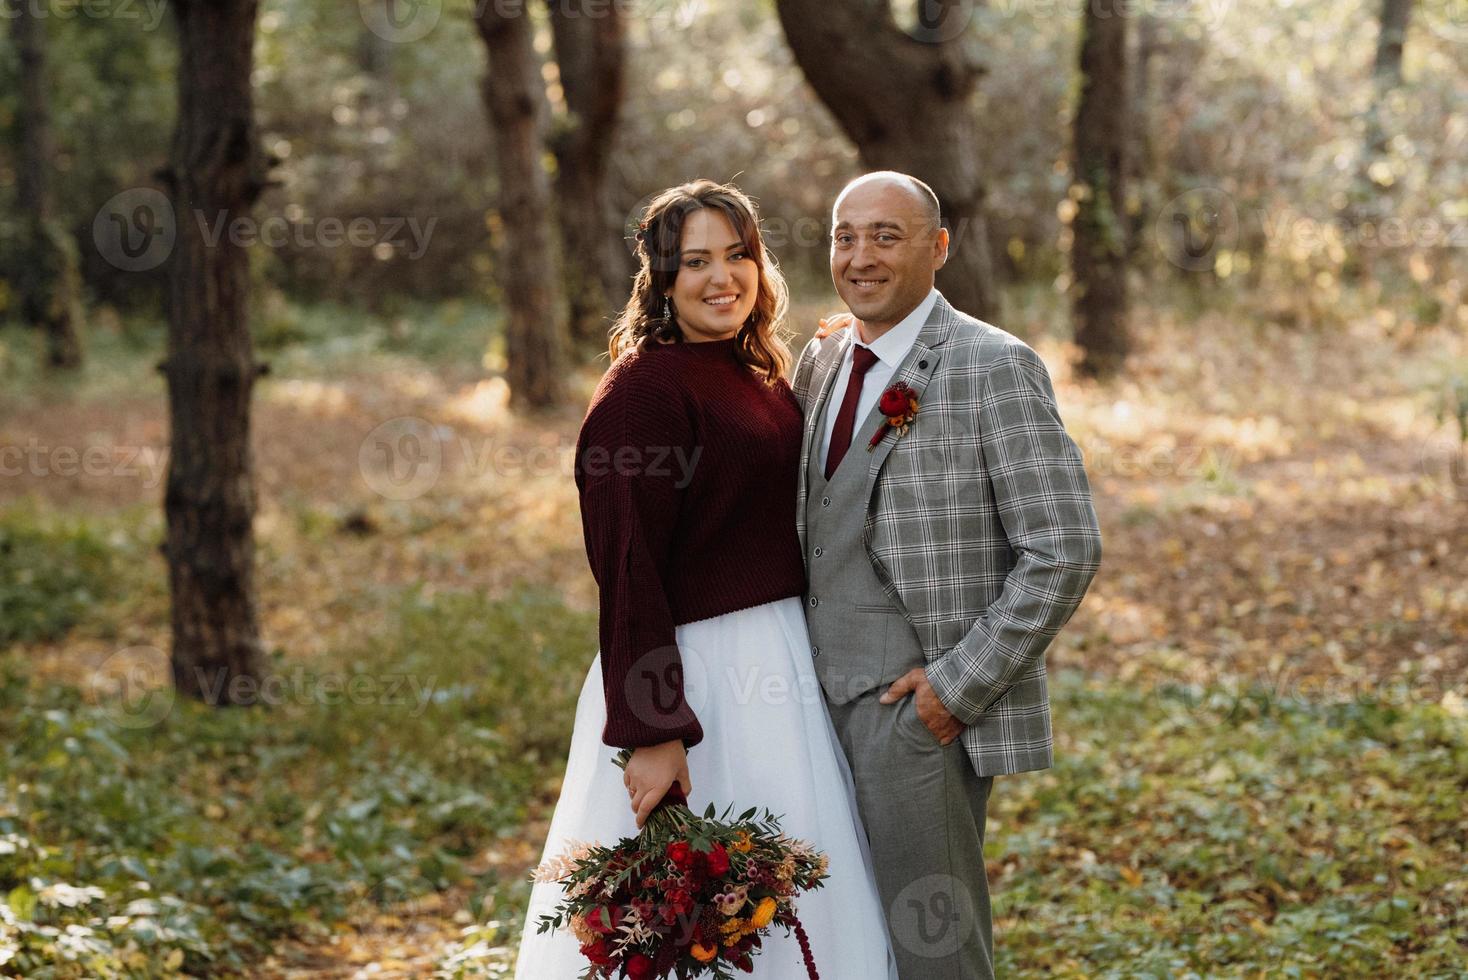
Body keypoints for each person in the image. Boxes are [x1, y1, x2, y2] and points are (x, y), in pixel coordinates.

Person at [512, 180, 897, 979]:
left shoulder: (755, 373)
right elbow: (627, 571)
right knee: (692, 918)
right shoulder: (643, 394)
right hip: (699, 680)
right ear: (659, 278)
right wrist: (652, 730)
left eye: (738, 255)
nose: (723, 277)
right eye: (695, 262)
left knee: (789, 894)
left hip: (784, 660)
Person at [791, 172, 1103, 979]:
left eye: (886, 237)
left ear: (938, 247)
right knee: (836, 940)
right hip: (803, 710)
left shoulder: (993, 366)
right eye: (845, 235)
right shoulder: (822, 359)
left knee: (936, 953)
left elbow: (1064, 546)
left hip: (915, 718)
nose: (860, 257)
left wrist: (954, 691)